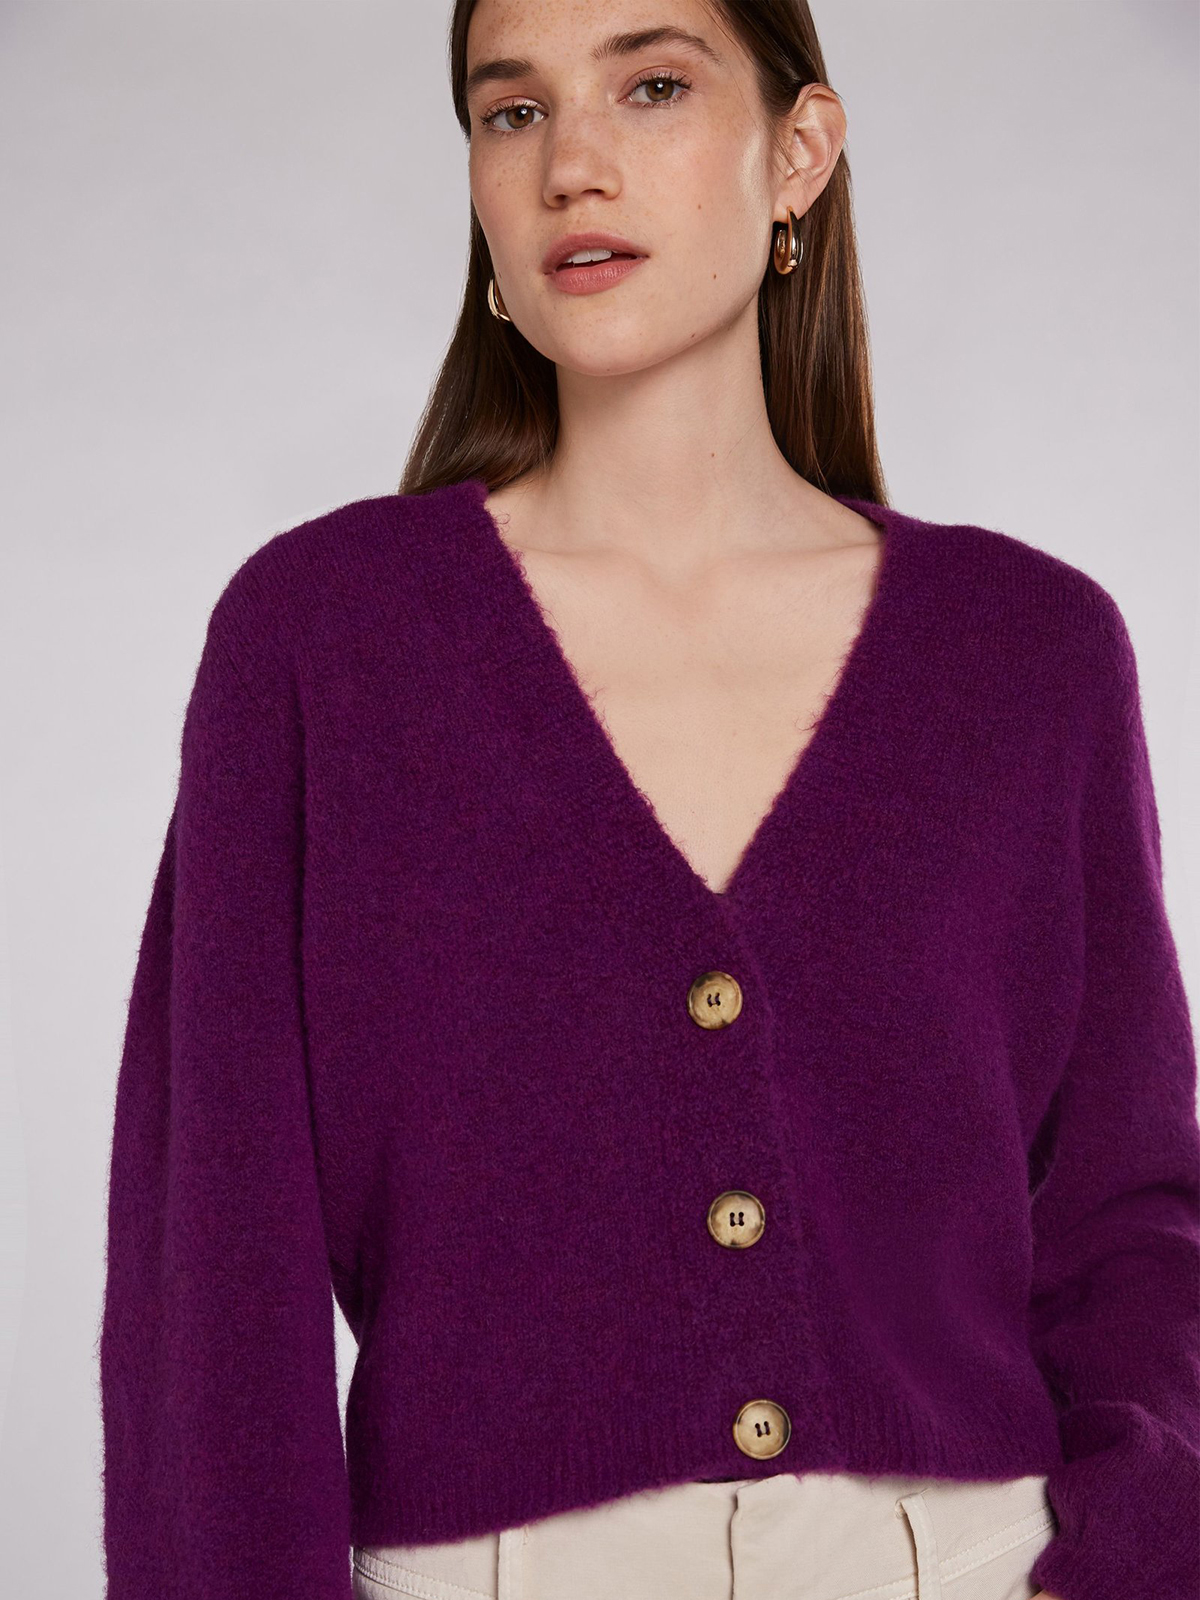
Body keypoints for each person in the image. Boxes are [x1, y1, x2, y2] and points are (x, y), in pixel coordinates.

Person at [98, 2, 1200, 1598]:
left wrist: (1139, 1562)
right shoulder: (323, 641)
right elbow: (215, 1265)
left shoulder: (1029, 653)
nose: (573, 164)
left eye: (655, 85)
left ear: (799, 154)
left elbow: (1132, 1218)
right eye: (513, 111)